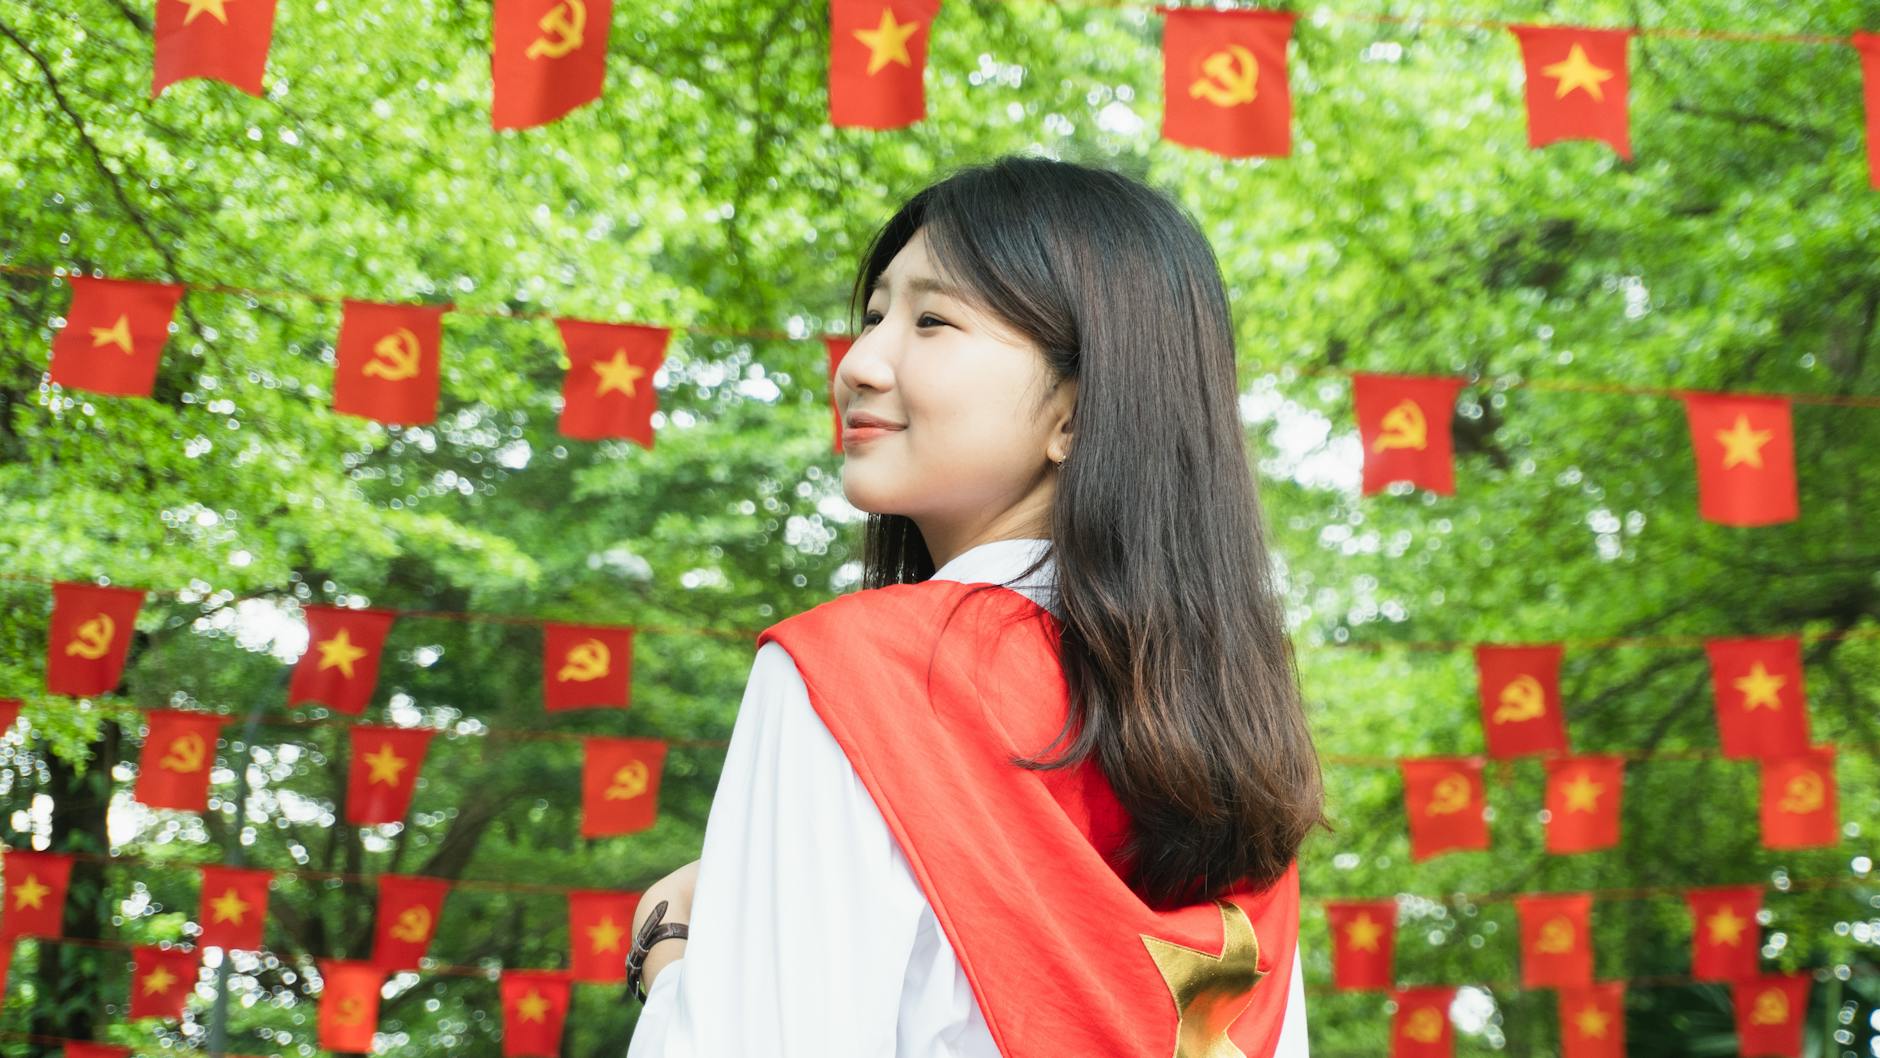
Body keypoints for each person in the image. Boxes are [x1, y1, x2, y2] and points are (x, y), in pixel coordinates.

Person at [623, 154, 1328, 1057]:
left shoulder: (859, 676)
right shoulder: (1230, 750)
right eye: (874, 315)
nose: (861, 363)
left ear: (1075, 413)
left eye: (931, 320)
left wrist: (671, 952)